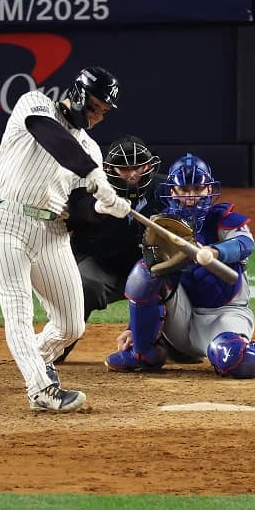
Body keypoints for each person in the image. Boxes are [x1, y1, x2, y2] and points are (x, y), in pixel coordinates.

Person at [0, 66, 130, 412]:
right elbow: (53, 138)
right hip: (5, 222)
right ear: (77, 94)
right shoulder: (35, 105)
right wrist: (93, 173)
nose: (97, 116)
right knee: (18, 310)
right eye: (94, 107)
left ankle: (36, 357)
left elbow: (78, 209)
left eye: (104, 112)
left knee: (71, 324)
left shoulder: (90, 148)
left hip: (51, 235)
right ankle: (41, 389)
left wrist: (102, 207)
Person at [103, 153, 255, 378]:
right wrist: (133, 329)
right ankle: (143, 353)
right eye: (184, 190)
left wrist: (214, 251)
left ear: (209, 189)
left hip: (225, 314)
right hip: (181, 317)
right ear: (172, 191)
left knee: (235, 361)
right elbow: (151, 283)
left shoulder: (222, 219)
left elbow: (245, 244)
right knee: (145, 271)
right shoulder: (164, 226)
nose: (191, 197)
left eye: (197, 189)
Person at [53, 135, 166, 364]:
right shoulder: (91, 188)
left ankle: (159, 344)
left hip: (148, 268)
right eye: (124, 169)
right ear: (110, 169)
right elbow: (70, 219)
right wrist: (81, 210)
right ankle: (55, 346)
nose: (132, 174)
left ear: (149, 165)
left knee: (176, 282)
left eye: (138, 167)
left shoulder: (167, 190)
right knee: (82, 286)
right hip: (101, 266)